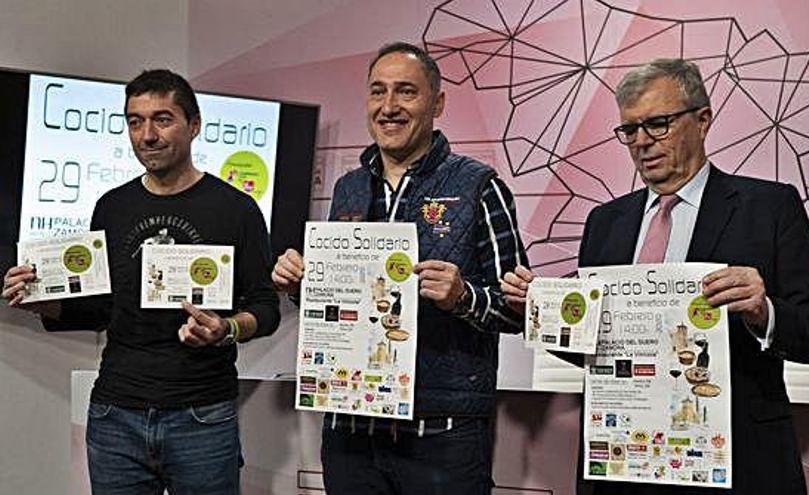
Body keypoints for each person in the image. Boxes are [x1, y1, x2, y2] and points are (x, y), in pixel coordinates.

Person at [501, 58, 809, 495]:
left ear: (702, 120)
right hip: (623, 461)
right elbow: (596, 351)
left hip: (734, 462)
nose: (642, 141)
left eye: (658, 124)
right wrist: (544, 314)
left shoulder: (770, 208)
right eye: (630, 130)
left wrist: (764, 311)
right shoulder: (605, 222)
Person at [2, 69, 280, 494]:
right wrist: (41, 301)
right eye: (135, 121)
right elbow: (100, 308)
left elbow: (265, 306)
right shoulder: (112, 207)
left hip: (201, 415)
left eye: (162, 119)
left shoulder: (237, 209)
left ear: (194, 124)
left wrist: (226, 329)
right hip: (116, 414)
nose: (146, 135)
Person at [272, 41, 527, 495]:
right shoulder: (348, 188)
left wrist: (463, 296)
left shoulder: (479, 187)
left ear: (438, 103)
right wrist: (301, 284)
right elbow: (343, 303)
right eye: (378, 92)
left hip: (442, 437)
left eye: (406, 92)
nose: (389, 107)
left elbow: (517, 310)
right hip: (351, 434)